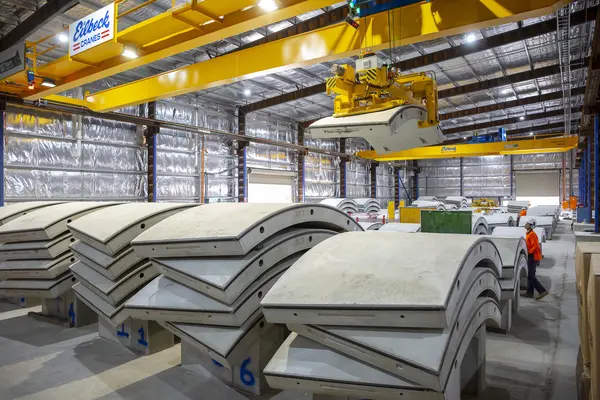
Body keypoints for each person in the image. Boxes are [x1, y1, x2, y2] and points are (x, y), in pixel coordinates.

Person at [523, 218, 549, 300]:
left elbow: (536, 246)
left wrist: (529, 252)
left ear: (531, 226)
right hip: (531, 256)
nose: (526, 224)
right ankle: (530, 292)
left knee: (530, 275)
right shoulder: (528, 233)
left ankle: (542, 291)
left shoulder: (532, 234)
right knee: (531, 275)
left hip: (533, 257)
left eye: (528, 223)